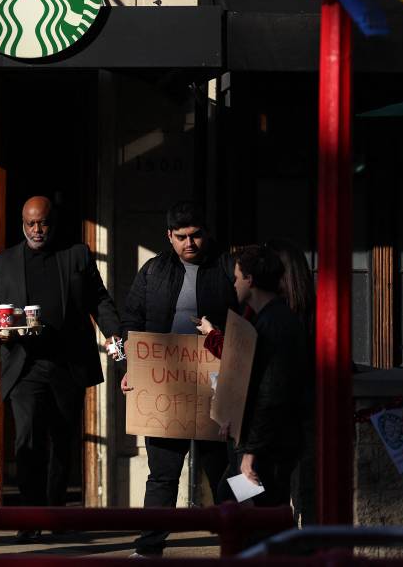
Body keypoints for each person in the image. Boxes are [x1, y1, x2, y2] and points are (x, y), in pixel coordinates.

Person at [0, 196, 123, 542]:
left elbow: (99, 300)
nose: (36, 230)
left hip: (67, 364)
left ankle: (57, 513)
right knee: (28, 440)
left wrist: (114, 333)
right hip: (25, 365)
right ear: (22, 224)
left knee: (62, 442)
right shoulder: (3, 263)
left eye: (42, 223)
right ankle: (30, 516)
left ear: (52, 223)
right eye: (30, 223)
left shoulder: (76, 255)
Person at [120, 201, 236, 558]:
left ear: (207, 233)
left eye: (196, 235)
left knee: (224, 472)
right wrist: (132, 368)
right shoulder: (154, 271)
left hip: (216, 385)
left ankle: (238, 543)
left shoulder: (228, 268)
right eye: (182, 237)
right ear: (169, 236)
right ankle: (149, 547)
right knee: (163, 474)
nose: (190, 243)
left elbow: (244, 324)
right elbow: (132, 321)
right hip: (164, 387)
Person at [199, 245, 306, 511]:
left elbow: (269, 393)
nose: (233, 284)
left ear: (250, 279)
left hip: (266, 448)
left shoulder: (272, 324)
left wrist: (251, 454)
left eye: (237, 277)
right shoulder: (270, 318)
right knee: (244, 501)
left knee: (247, 502)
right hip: (267, 442)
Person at [264, 237, 316, 526]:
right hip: (300, 417)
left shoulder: (273, 316)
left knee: (239, 489)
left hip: (275, 422)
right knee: (285, 491)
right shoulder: (308, 313)